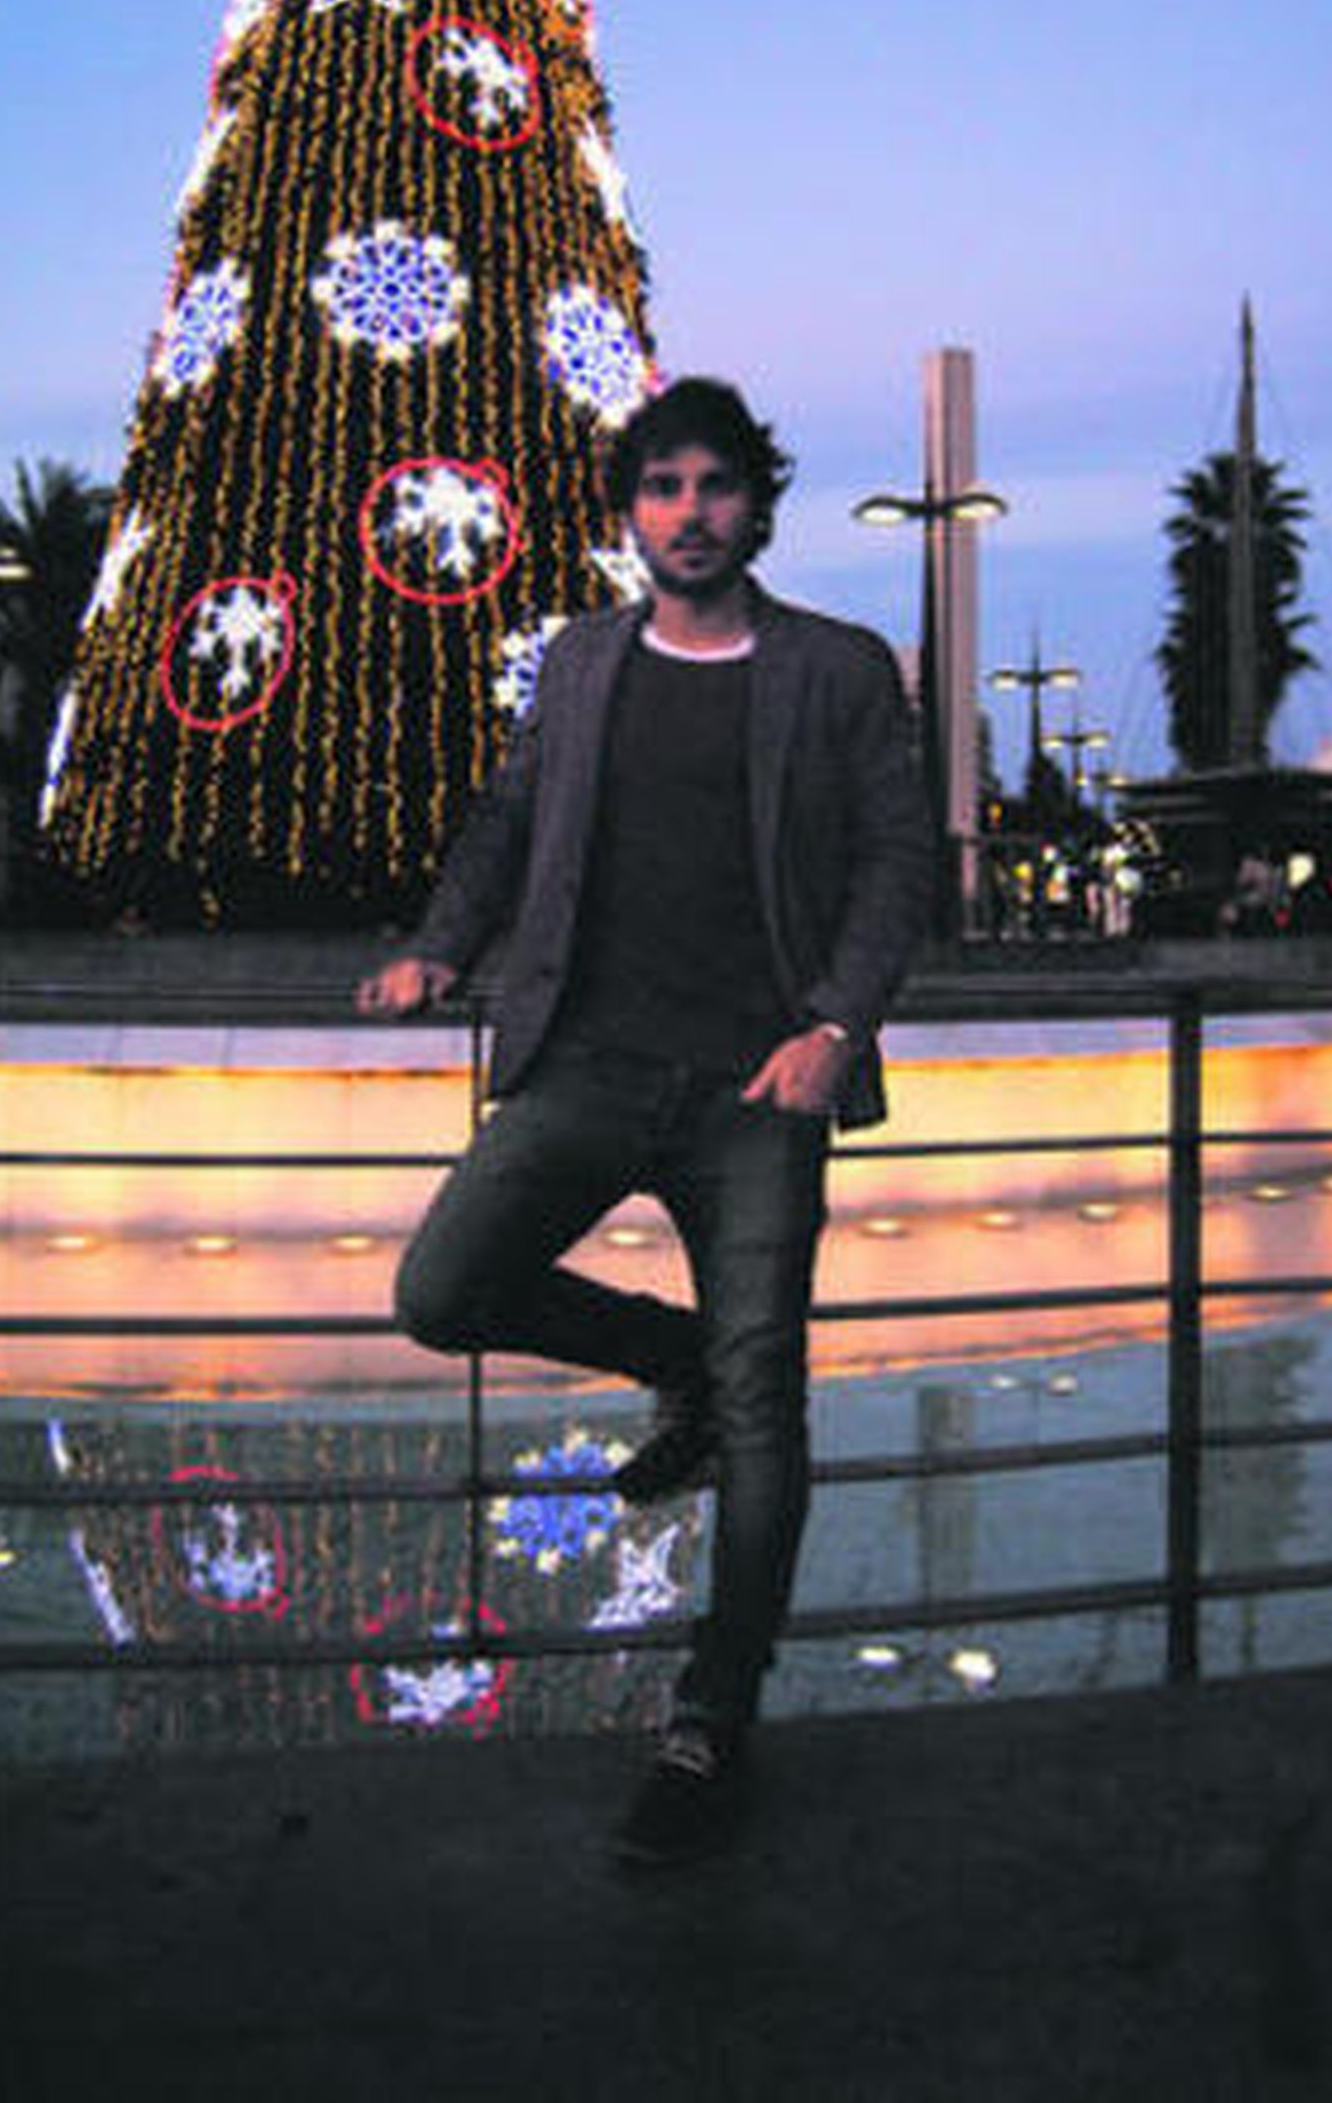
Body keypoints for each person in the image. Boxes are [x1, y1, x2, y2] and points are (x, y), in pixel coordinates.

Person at [358, 376, 931, 1863]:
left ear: (758, 504)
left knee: (765, 1402)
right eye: (663, 487)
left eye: (715, 485)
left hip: (759, 1092)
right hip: (590, 1067)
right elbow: (509, 820)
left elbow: (896, 861)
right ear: (631, 513)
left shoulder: (838, 668)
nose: (690, 513)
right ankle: (672, 1362)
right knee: (443, 1291)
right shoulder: (581, 660)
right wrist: (441, 947)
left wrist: (834, 1027)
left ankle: (711, 1716)